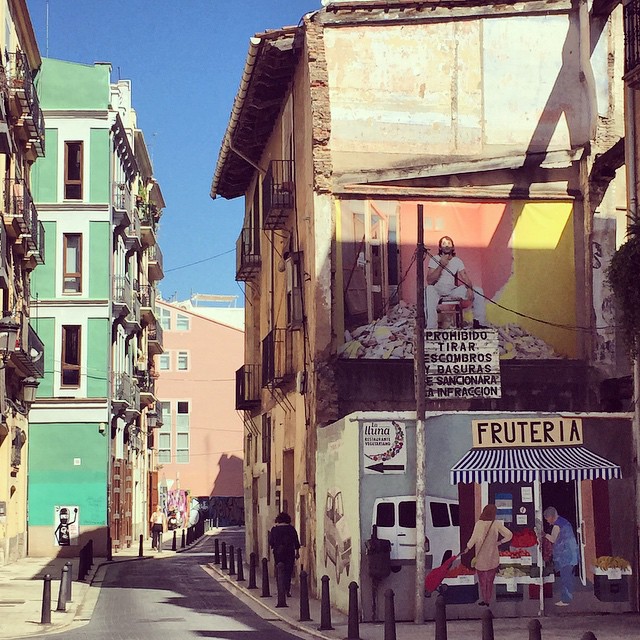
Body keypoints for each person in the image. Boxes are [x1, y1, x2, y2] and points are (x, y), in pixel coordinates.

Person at [425, 235, 488, 330]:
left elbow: (465, 277)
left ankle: (479, 323)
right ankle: (431, 328)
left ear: (453, 247)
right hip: (437, 290)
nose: (446, 246)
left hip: (452, 290)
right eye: (444, 244)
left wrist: (469, 288)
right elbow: (429, 281)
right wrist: (441, 265)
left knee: (478, 291)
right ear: (440, 247)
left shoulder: (457, 261)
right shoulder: (434, 259)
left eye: (449, 243)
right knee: (429, 289)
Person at [462, 504, 512, 606]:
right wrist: (500, 542)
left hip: (480, 557)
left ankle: (484, 599)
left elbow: (473, 538)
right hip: (492, 557)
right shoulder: (496, 524)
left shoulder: (479, 524)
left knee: (482, 581)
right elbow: (509, 535)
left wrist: (468, 547)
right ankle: (488, 600)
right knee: (490, 580)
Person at [543, 506, 578, 606]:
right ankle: (567, 598)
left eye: (547, 519)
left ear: (551, 516)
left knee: (565, 578)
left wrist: (544, 535)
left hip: (565, 556)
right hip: (571, 554)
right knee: (568, 577)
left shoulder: (557, 526)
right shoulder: (564, 522)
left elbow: (553, 539)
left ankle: (566, 600)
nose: (547, 522)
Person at [268, 512, 301, 597]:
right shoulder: (291, 529)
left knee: (279, 570)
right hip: (289, 552)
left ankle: (280, 589)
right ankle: (287, 590)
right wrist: (297, 552)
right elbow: (296, 541)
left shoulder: (274, 529)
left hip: (278, 553)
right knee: (288, 571)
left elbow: (271, 542)